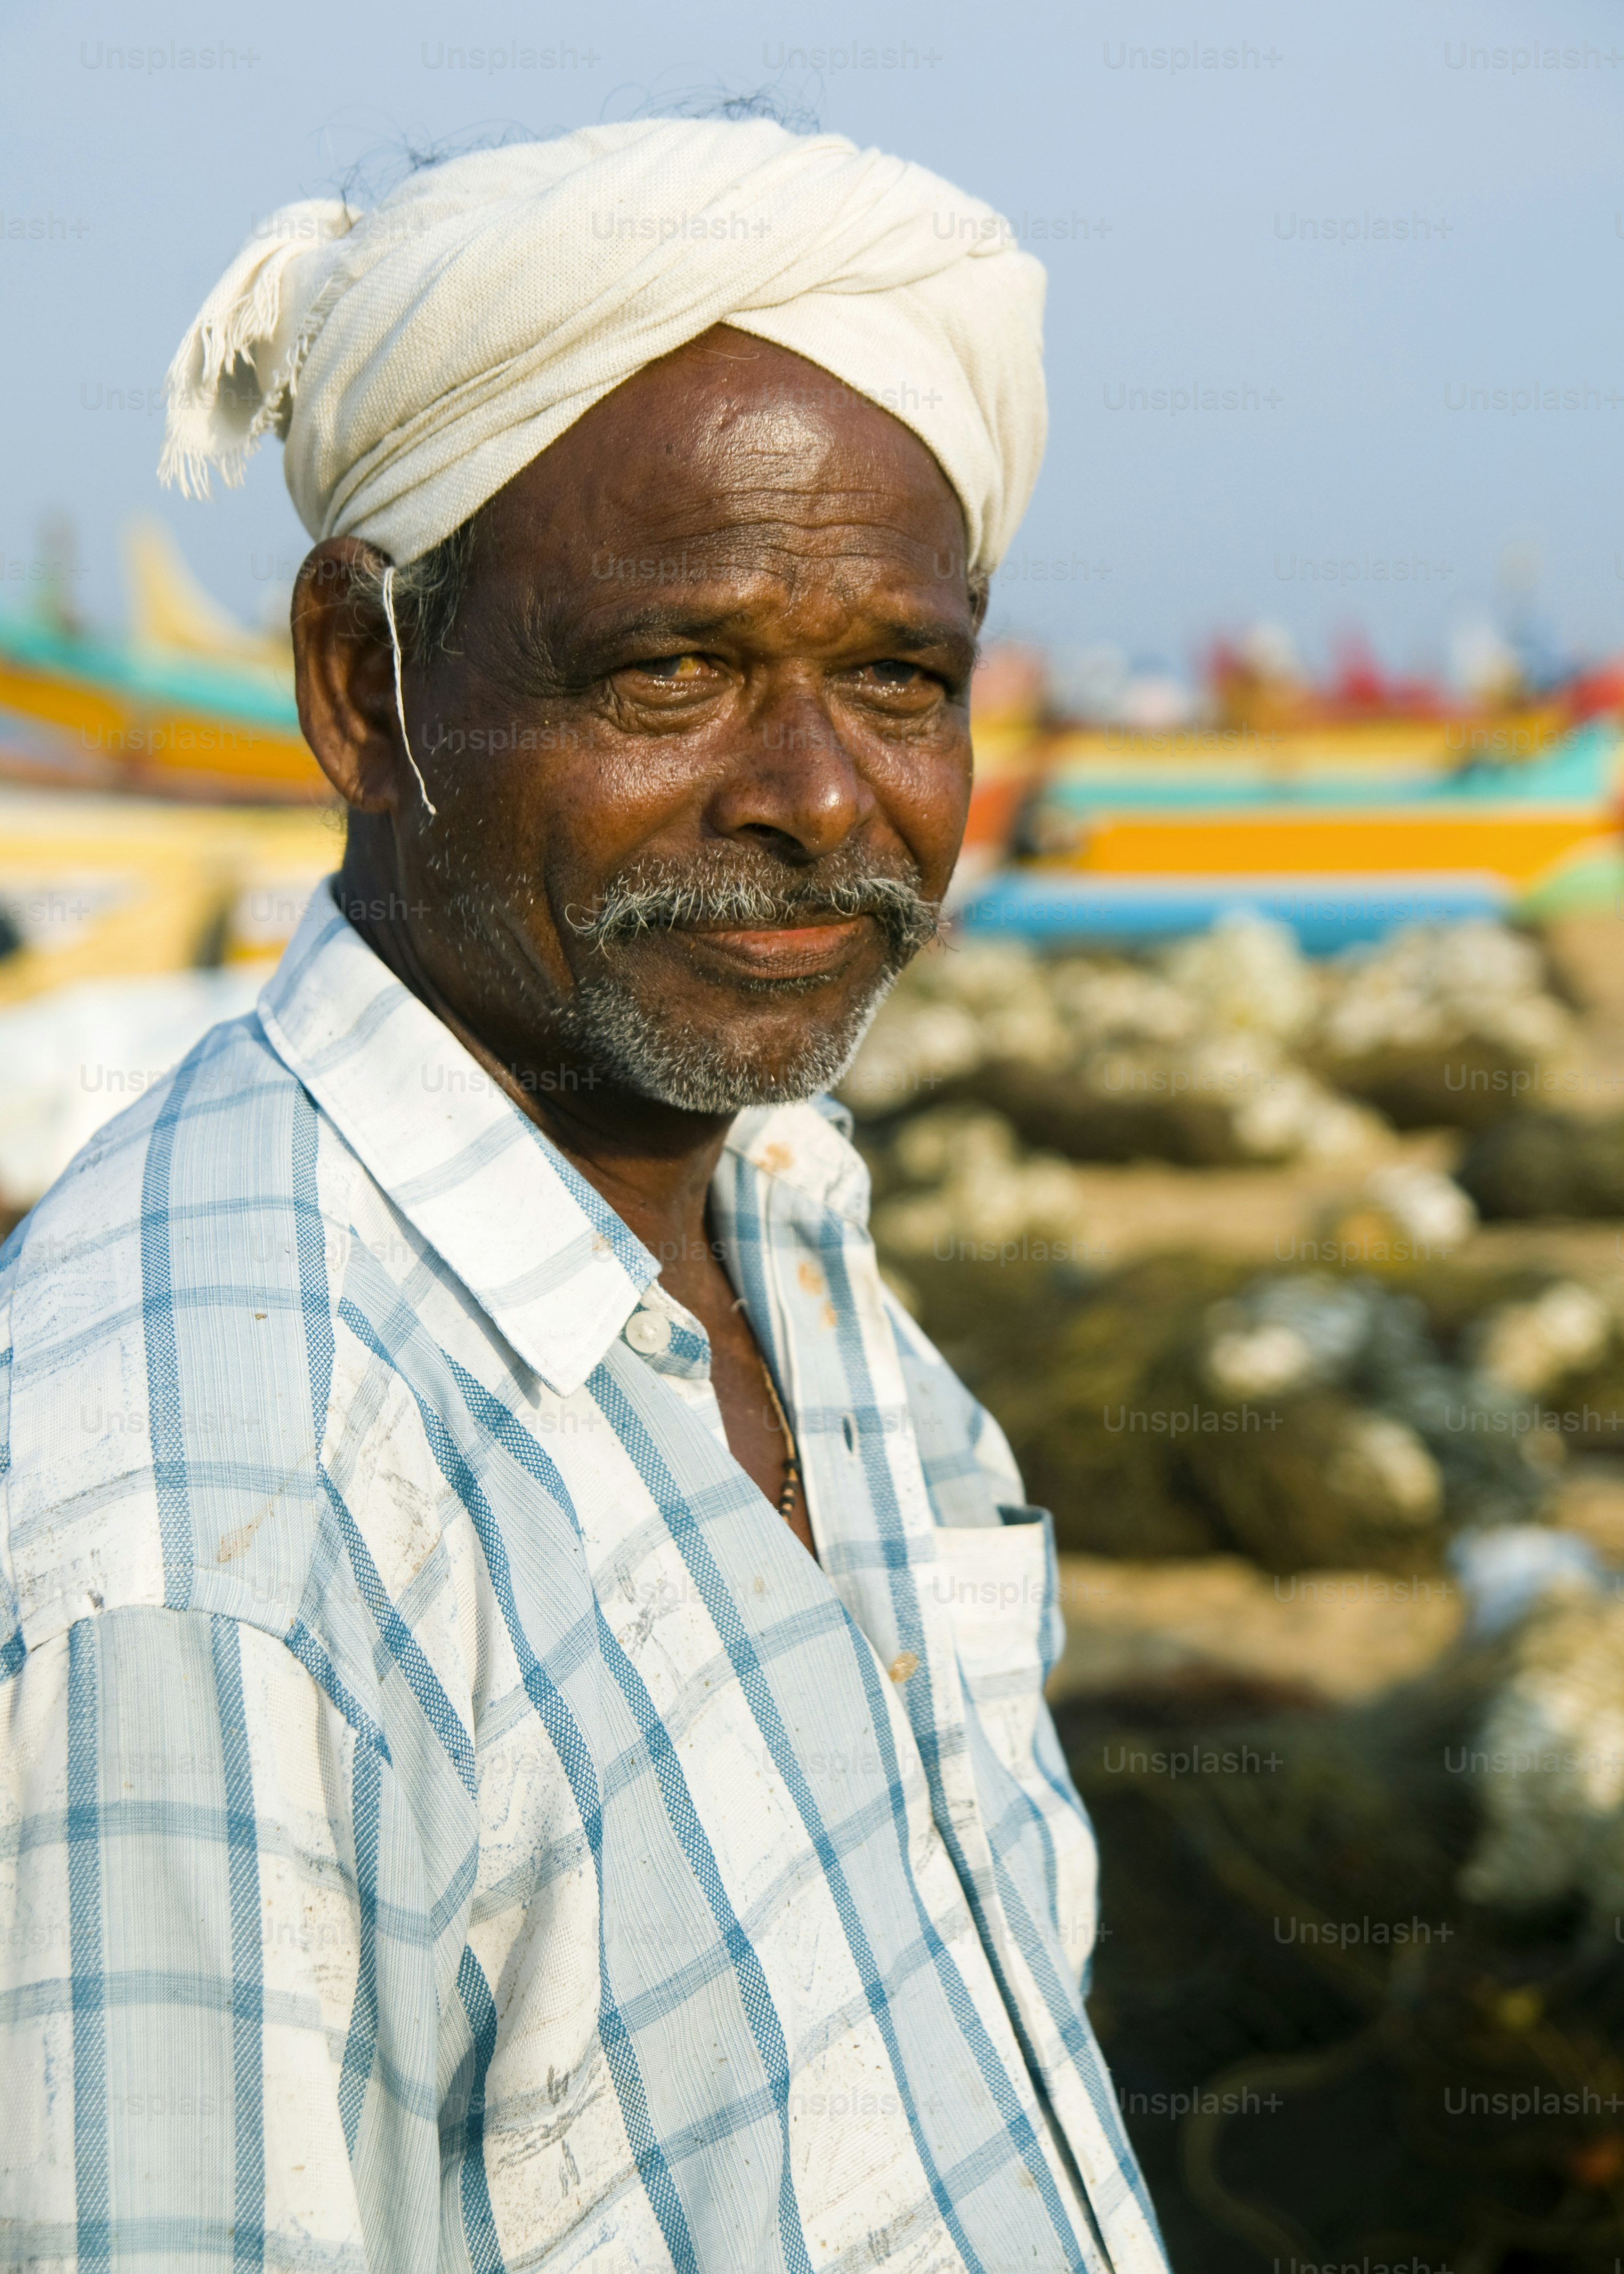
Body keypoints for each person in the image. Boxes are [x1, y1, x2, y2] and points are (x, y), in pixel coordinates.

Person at [0, 118, 1167, 2273]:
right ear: (365, 684)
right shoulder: (200, 1522)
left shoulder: (777, 1227)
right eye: (671, 673)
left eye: (898, 678)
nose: (823, 799)